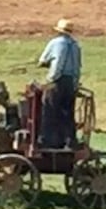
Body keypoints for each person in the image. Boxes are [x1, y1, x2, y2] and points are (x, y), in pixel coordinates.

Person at [35, 19, 82, 149]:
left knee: (48, 110)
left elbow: (47, 61)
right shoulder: (76, 46)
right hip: (70, 83)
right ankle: (69, 141)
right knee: (67, 113)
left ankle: (46, 140)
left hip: (57, 81)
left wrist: (50, 79)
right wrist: (75, 84)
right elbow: (77, 68)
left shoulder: (55, 43)